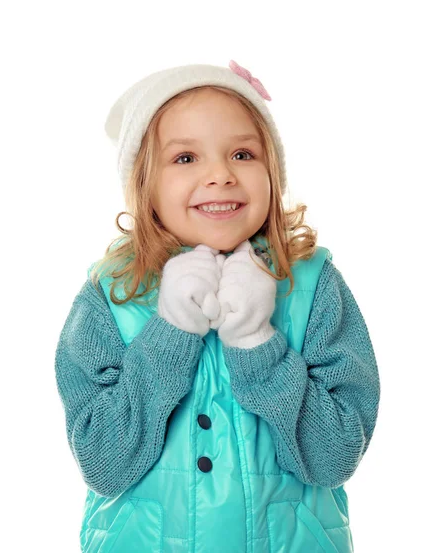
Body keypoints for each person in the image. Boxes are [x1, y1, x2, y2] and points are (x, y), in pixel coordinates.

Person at [54, 59, 381, 553]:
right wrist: (170, 334)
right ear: (145, 185)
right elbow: (101, 463)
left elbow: (335, 456)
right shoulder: (110, 294)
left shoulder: (312, 285)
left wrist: (259, 342)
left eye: (243, 154)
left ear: (272, 171)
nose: (221, 176)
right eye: (186, 158)